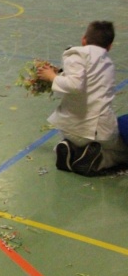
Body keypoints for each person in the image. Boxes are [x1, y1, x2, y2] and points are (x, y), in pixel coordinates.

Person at [37, 21, 128, 175]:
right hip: (97, 131)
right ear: (109, 46)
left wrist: (55, 76)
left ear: (84, 39)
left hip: (69, 129)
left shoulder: (76, 55)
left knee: (85, 136)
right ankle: (99, 160)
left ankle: (72, 150)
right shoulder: (108, 64)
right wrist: (53, 77)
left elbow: (77, 83)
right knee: (122, 151)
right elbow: (76, 85)